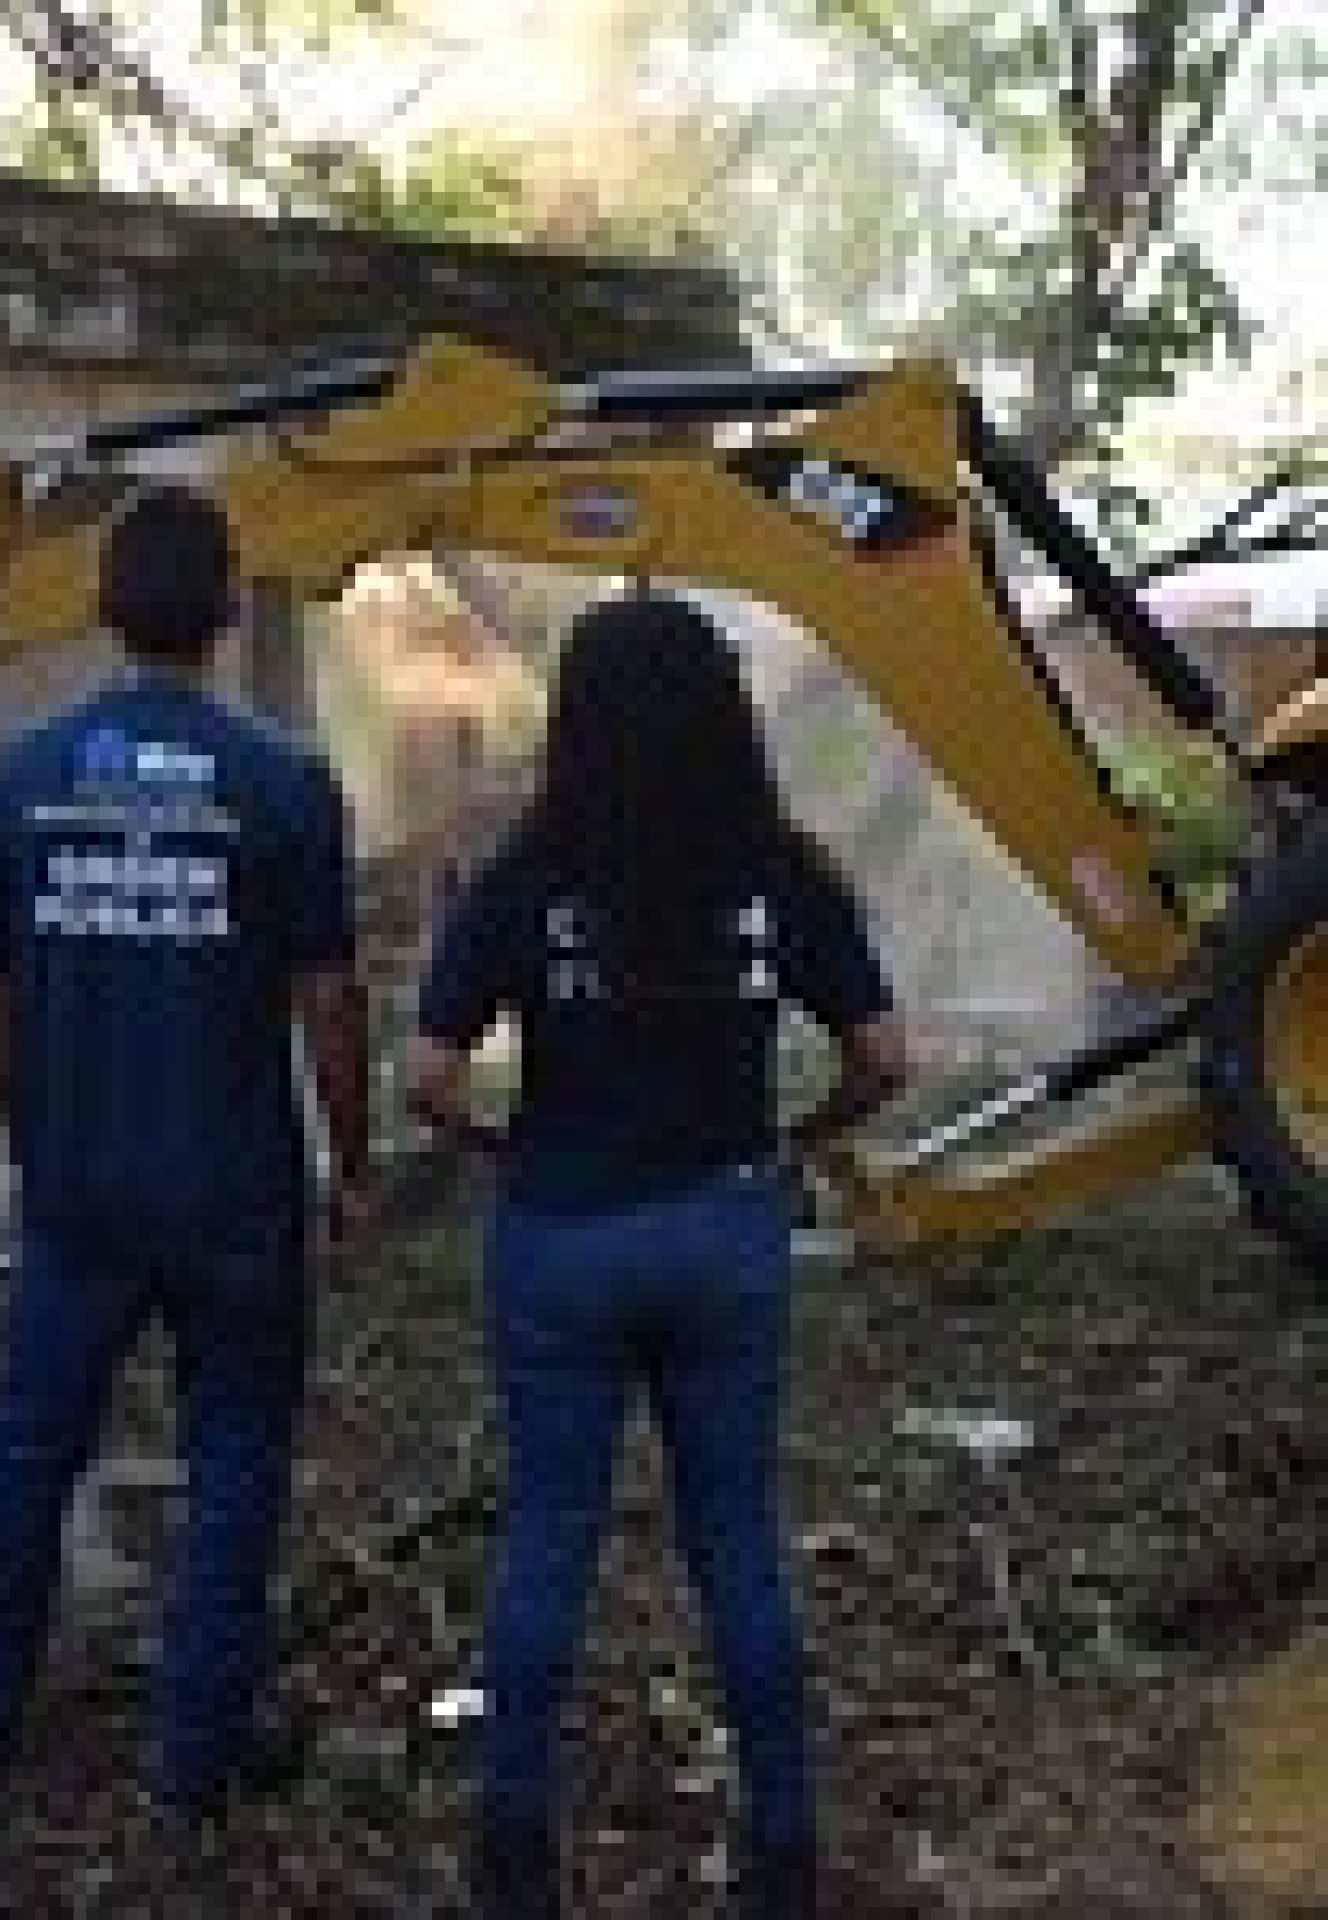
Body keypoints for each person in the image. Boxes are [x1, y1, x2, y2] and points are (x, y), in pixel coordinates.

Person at [404, 590, 909, 1920]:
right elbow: (888, 1059)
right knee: (736, 1540)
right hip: (724, 1230)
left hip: (564, 1235)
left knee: (548, 1540)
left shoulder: (525, 876)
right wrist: (803, 1139)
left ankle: (515, 1848)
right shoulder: (780, 877)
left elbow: (423, 1075)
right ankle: (786, 1845)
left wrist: (496, 1148)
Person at [0, 482, 373, 1834]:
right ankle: (191, 1761)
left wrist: (28, 1142)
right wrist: (351, 1166)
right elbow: (330, 999)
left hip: (82, 1190)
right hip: (238, 1197)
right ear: (230, 607)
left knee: (31, 1451)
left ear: (104, 606)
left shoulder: (11, 782)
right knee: (235, 1463)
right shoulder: (285, 784)